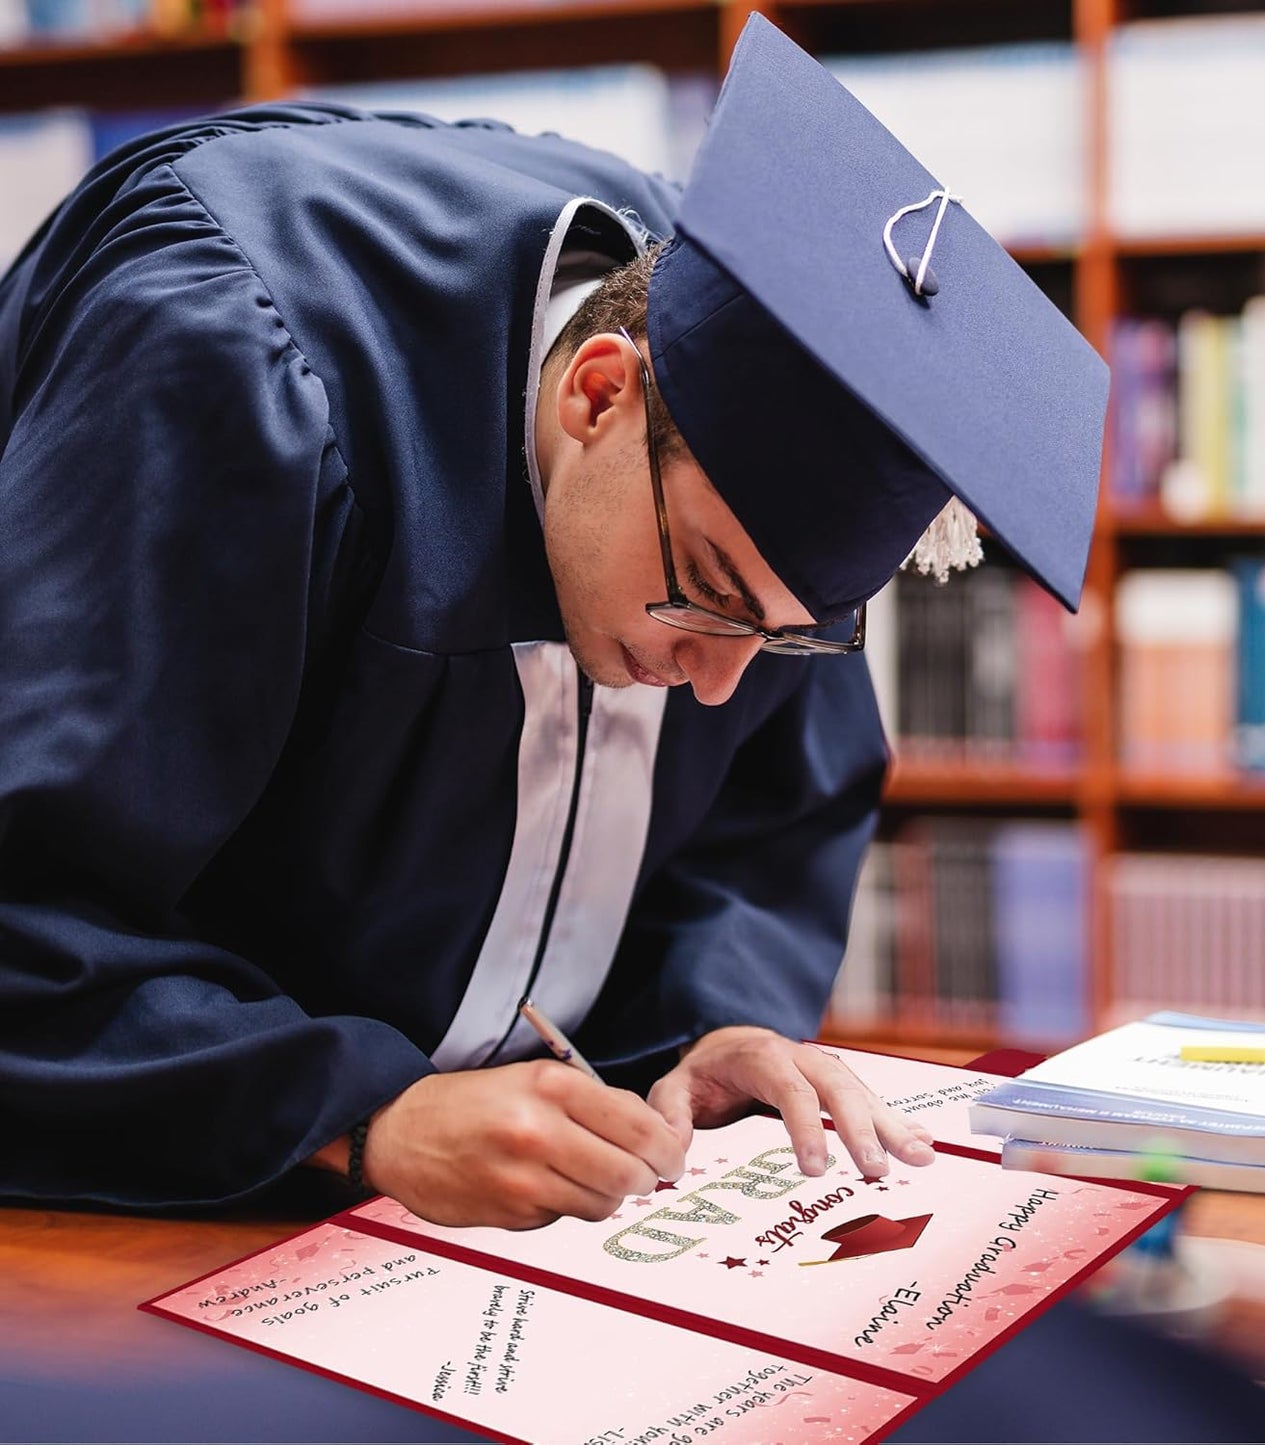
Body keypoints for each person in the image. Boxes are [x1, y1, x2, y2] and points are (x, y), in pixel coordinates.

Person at [0, 16, 1107, 1228]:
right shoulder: (234, 361)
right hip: (153, 1223)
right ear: (597, 394)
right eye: (711, 593)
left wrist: (707, 1027)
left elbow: (766, 825)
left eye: (791, 636)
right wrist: (355, 1116)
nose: (720, 683)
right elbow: (27, 908)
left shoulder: (761, 413)